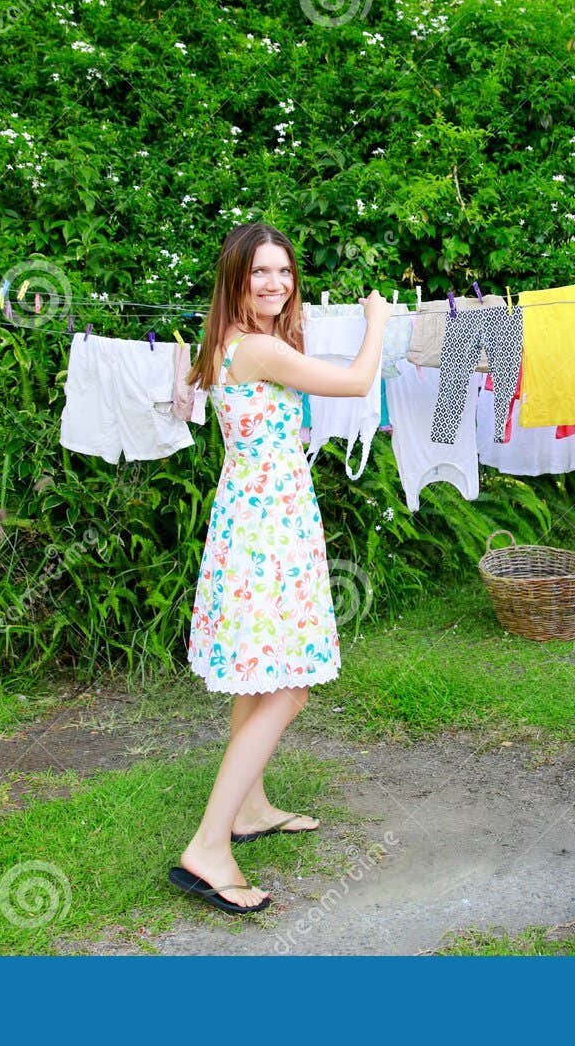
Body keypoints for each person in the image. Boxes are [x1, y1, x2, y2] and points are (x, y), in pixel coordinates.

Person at [171, 221, 391, 915]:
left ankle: (249, 805)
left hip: (257, 521)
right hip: (267, 531)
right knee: (288, 686)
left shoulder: (228, 343)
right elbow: (357, 383)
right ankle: (209, 844)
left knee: (259, 678)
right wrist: (378, 319)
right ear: (235, 278)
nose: (276, 283)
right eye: (260, 272)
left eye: (285, 272)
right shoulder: (259, 349)